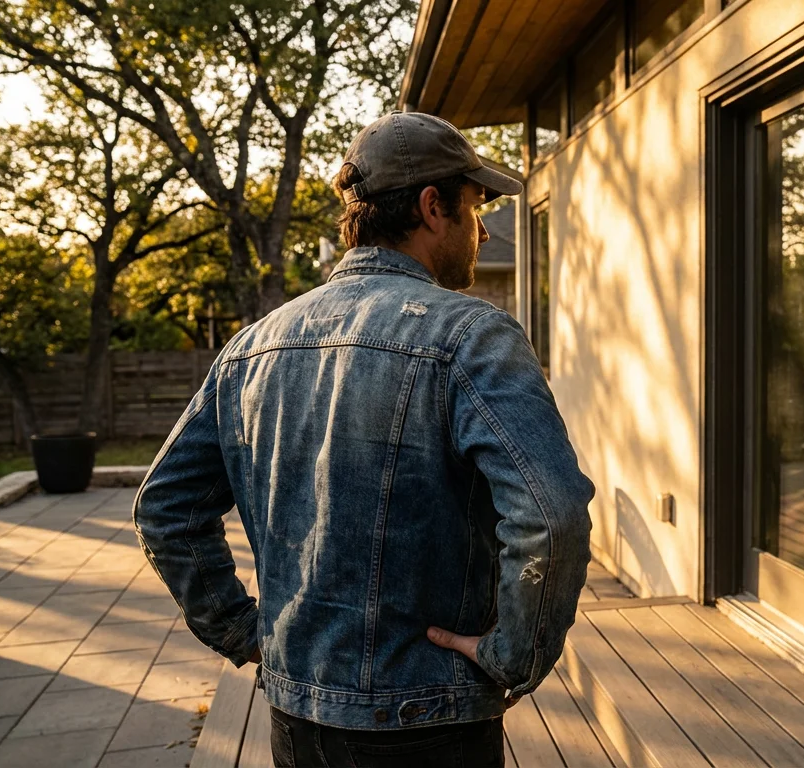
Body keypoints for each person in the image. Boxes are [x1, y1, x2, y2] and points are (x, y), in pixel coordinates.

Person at [134, 112, 595, 767]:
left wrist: (246, 631)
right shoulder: (473, 336)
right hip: (429, 721)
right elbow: (551, 516)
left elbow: (164, 509)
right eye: (474, 207)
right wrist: (513, 654)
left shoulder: (251, 347)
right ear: (432, 207)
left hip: (297, 718)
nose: (484, 229)